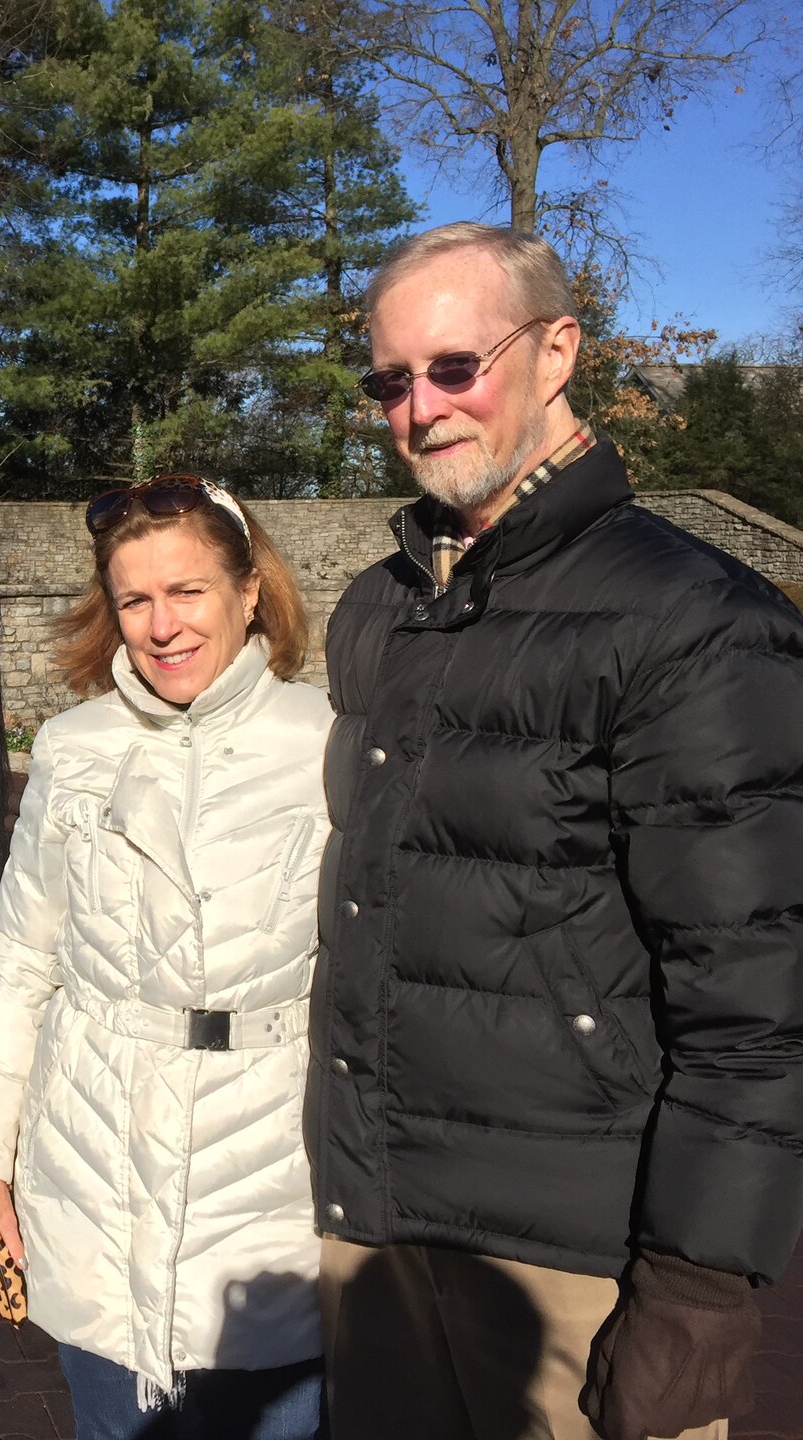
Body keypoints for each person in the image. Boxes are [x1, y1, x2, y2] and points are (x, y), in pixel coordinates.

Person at [311, 221, 803, 1440]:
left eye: (455, 367)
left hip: (577, 1257)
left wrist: (699, 1287)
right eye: (390, 381)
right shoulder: (381, 607)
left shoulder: (693, 620)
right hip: (378, 1228)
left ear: (558, 351)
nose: (422, 408)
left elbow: (756, 989)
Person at [0, 476, 332, 1440]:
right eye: (135, 600)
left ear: (249, 592)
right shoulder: (73, 748)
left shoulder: (329, 747)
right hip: (92, 1172)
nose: (162, 626)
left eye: (188, 591)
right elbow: (19, 961)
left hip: (271, 1182)